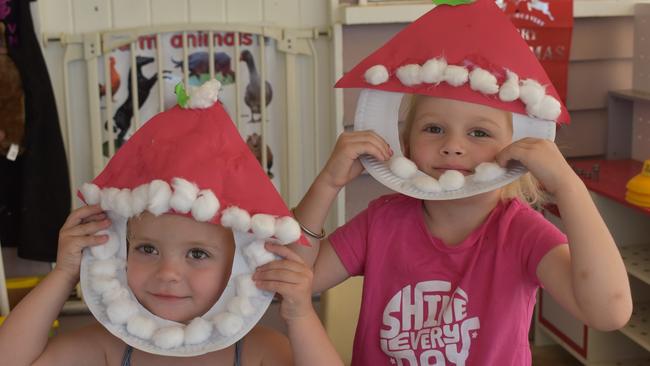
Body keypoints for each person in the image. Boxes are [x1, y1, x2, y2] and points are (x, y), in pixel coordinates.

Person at [290, 1, 632, 365]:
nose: (453, 146)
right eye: (433, 128)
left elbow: (608, 313)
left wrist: (568, 186)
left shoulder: (521, 235)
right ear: (406, 145)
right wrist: (327, 184)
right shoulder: (380, 223)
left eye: (479, 132)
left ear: (516, 150)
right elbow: (292, 281)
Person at [0, 80, 342, 366]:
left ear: (241, 264)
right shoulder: (108, 348)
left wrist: (301, 317)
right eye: (147, 248)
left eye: (197, 254)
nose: (167, 273)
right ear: (120, 250)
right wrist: (64, 275)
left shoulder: (259, 351)